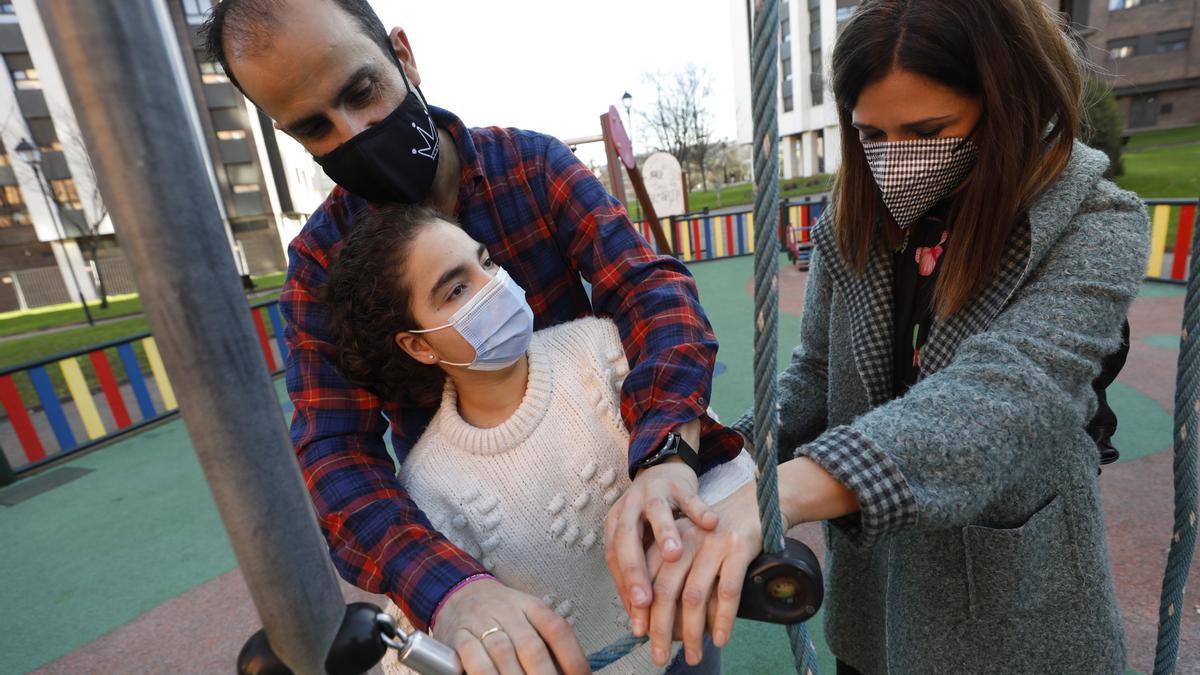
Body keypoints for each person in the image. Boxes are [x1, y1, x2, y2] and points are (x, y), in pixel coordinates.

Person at [608, 1, 1152, 672]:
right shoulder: (853, 217)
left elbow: (1008, 397)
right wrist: (719, 463)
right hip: (875, 606)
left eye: (928, 129)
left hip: (1010, 613)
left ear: (1008, 104)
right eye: (871, 134)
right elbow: (815, 378)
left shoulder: (1095, 223)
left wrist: (783, 493)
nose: (893, 160)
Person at [202, 1, 742, 671]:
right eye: (316, 127)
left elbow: (646, 288)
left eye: (362, 90)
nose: (355, 133)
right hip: (483, 547)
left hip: (626, 506)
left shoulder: (530, 167)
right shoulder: (322, 263)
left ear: (403, 54)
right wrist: (450, 589)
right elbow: (334, 451)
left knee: (680, 648)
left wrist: (663, 452)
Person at [326, 204, 756, 673]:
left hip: (682, 643)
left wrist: (696, 513)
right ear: (419, 344)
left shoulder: (602, 350)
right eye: (456, 289)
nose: (492, 285)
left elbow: (727, 471)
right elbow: (424, 640)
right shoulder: (430, 485)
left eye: (486, 261)